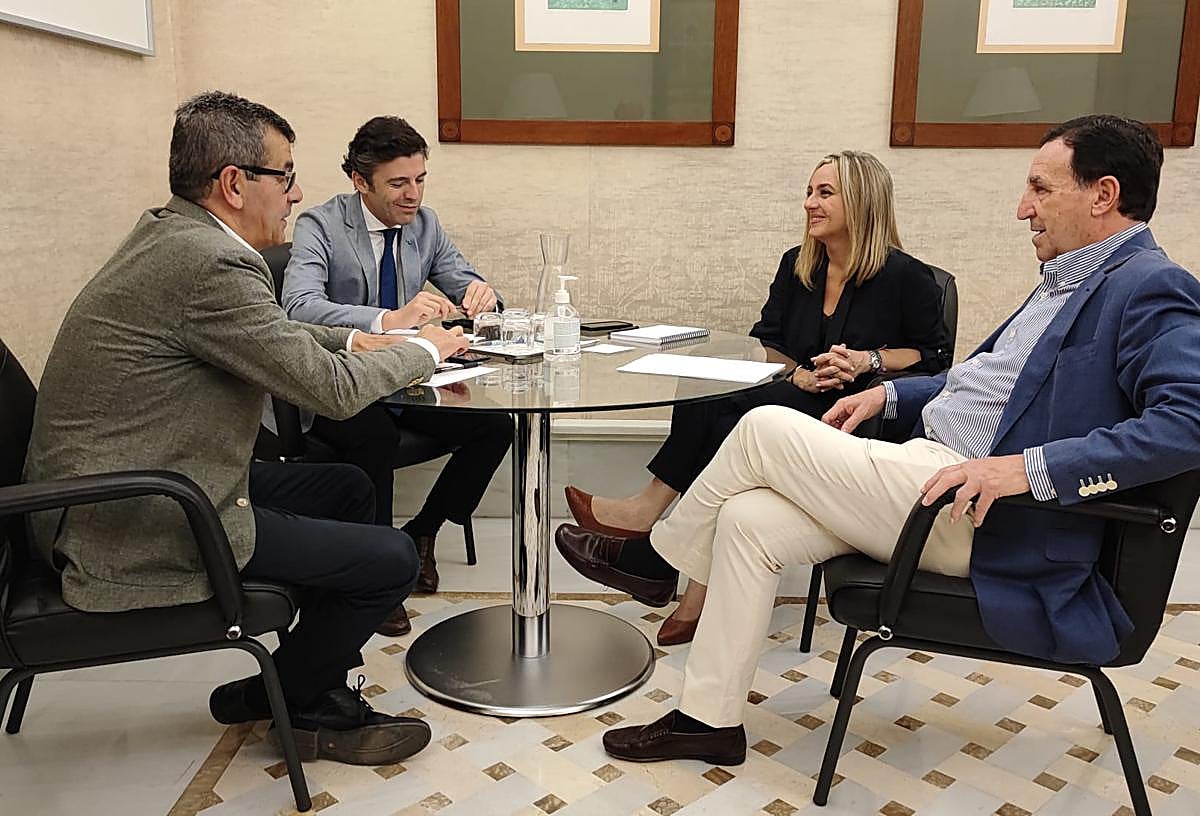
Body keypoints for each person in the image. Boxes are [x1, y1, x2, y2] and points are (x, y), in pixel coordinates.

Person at [555, 114, 1200, 766]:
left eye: (1040, 189)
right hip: (925, 473)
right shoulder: (1068, 280)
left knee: (761, 427)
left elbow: (1186, 425)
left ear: (1104, 194)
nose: (1020, 208)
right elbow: (983, 387)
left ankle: (658, 558)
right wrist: (889, 392)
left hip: (981, 514)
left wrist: (1025, 471)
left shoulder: (1148, 285)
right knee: (747, 521)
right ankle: (709, 721)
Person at [23, 91, 470, 766]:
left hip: (140, 480)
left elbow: (273, 333)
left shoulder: (173, 235)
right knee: (392, 562)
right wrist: (427, 349)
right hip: (135, 515)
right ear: (235, 184)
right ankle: (298, 701)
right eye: (284, 175)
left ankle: (292, 689)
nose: (294, 195)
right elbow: (334, 397)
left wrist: (355, 343)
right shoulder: (212, 263)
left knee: (349, 488)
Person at [564, 151, 951, 646]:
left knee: (740, 418)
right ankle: (657, 532)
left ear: (863, 202)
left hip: (856, 412)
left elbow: (935, 357)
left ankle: (665, 558)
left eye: (825, 193)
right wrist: (798, 376)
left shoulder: (905, 276)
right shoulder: (799, 264)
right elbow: (765, 338)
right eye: (809, 192)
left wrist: (866, 360)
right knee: (706, 386)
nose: (810, 203)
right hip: (797, 390)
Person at [280, 116, 512, 622]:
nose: (413, 195)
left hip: (408, 378)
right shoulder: (320, 225)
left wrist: (483, 296)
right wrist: (388, 319)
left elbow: (467, 284)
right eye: (399, 183)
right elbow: (297, 306)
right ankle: (378, 573)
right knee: (375, 438)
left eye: (420, 179)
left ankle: (422, 531)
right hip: (342, 385)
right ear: (361, 182)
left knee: (496, 426)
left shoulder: (425, 225)